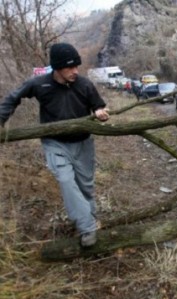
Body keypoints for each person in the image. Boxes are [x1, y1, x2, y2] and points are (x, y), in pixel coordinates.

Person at [0, 42, 109, 247]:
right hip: (55, 144)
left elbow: (98, 105)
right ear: (57, 68)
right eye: (70, 67)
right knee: (67, 182)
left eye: (77, 66)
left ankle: (89, 218)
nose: (75, 71)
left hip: (83, 143)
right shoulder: (40, 84)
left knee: (85, 187)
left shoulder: (85, 85)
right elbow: (14, 97)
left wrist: (100, 112)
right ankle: (87, 228)